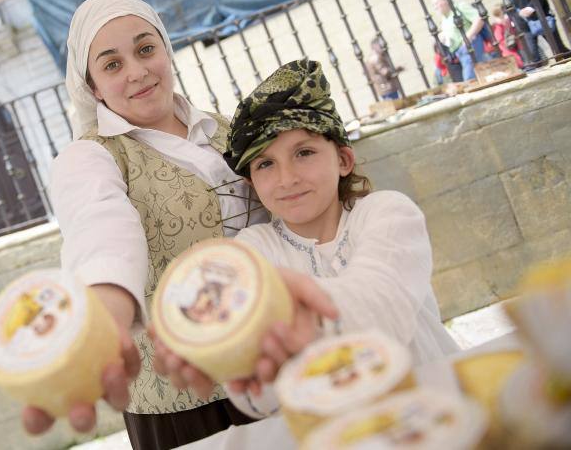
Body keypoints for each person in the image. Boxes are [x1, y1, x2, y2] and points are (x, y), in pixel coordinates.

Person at [21, 0, 276, 450]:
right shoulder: (90, 158)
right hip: (184, 396)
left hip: (270, 354)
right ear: (93, 87)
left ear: (165, 49)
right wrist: (106, 313)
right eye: (112, 64)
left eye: (145, 49)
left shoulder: (221, 129)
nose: (137, 71)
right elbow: (101, 228)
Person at [154, 58, 459, 417]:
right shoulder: (254, 250)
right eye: (265, 164)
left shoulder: (388, 214)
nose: (287, 178)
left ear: (344, 159)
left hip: (437, 412)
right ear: (251, 181)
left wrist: (282, 307)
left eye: (304, 153)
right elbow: (259, 399)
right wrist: (235, 359)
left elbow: (382, 306)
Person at [432, 0, 490, 81]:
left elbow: (479, 18)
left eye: (436, 4)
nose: (435, 7)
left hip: (470, 46)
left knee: (470, 78)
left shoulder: (459, 7)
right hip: (458, 54)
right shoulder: (443, 19)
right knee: (475, 78)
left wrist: (468, 36)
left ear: (445, 1)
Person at [487, 4, 523, 68]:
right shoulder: (497, 25)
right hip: (506, 46)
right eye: (503, 11)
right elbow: (499, 38)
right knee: (514, 59)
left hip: (512, 43)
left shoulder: (506, 20)